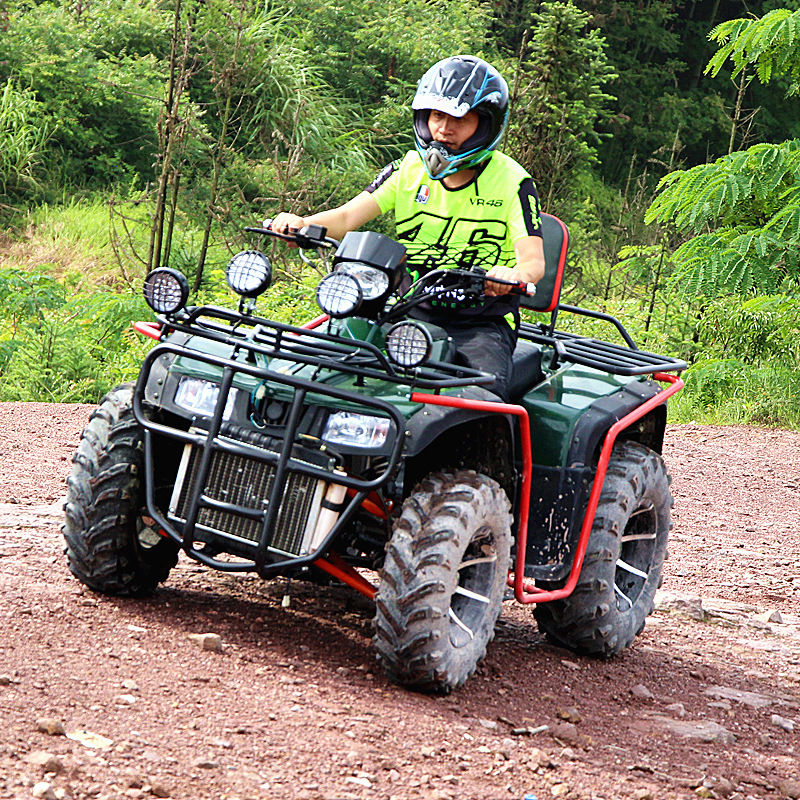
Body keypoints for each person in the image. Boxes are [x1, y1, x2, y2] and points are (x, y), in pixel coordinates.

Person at [268, 55, 545, 401]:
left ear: (486, 124)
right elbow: (346, 218)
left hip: (479, 323)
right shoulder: (409, 168)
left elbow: (533, 262)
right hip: (405, 306)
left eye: (460, 119)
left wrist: (509, 275)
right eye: (438, 115)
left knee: (477, 403)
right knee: (319, 366)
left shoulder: (512, 182)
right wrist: (303, 223)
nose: (444, 128)